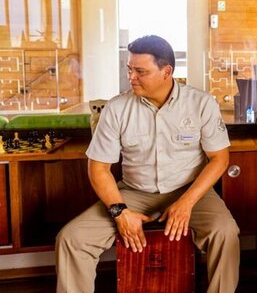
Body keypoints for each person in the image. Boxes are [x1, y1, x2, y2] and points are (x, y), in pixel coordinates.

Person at [56, 35, 239, 293]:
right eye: (129, 69)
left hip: (190, 192)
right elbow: (98, 168)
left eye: (140, 71)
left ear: (167, 71)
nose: (132, 77)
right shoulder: (117, 108)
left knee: (225, 232)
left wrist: (186, 204)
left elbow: (219, 159)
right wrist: (119, 212)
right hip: (133, 193)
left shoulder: (201, 103)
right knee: (71, 239)